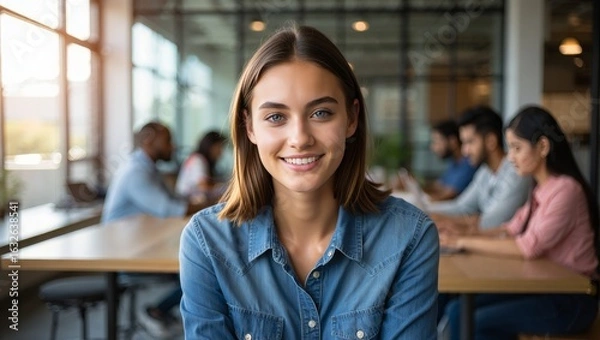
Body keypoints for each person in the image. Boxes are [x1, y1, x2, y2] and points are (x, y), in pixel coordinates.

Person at [179, 25, 439, 339]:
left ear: (351, 119)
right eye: (276, 117)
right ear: (249, 127)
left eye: (321, 112)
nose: (300, 138)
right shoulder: (207, 243)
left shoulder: (408, 237)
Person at [440, 105, 600, 340]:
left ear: (543, 147)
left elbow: (528, 246)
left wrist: (462, 240)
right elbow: (510, 229)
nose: (510, 157)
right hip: (544, 287)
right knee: (457, 310)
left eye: (517, 148)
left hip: (572, 299)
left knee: (476, 321)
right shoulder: (541, 188)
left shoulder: (566, 190)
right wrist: (458, 236)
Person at [102, 122, 205, 338]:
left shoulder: (148, 168)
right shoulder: (136, 172)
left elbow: (174, 201)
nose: (173, 147)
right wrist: (215, 205)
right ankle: (157, 311)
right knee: (200, 268)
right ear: (148, 140)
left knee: (198, 263)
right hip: (125, 257)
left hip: (142, 245)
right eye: (167, 140)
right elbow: (171, 209)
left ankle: (164, 312)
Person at [428, 106, 531, 232]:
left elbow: (493, 222)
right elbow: (462, 207)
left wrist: (438, 218)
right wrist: (422, 211)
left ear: (490, 141)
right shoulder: (485, 171)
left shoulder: (516, 172)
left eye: (470, 142)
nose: (464, 151)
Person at [425, 119, 478, 201]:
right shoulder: (454, 163)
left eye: (437, 141)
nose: (433, 148)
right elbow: (438, 186)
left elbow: (450, 194)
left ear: (453, 141)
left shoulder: (470, 163)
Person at [175, 130, 227, 204]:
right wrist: (222, 187)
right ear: (211, 146)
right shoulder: (197, 161)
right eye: (219, 147)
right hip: (187, 203)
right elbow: (204, 186)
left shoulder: (198, 159)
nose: (221, 152)